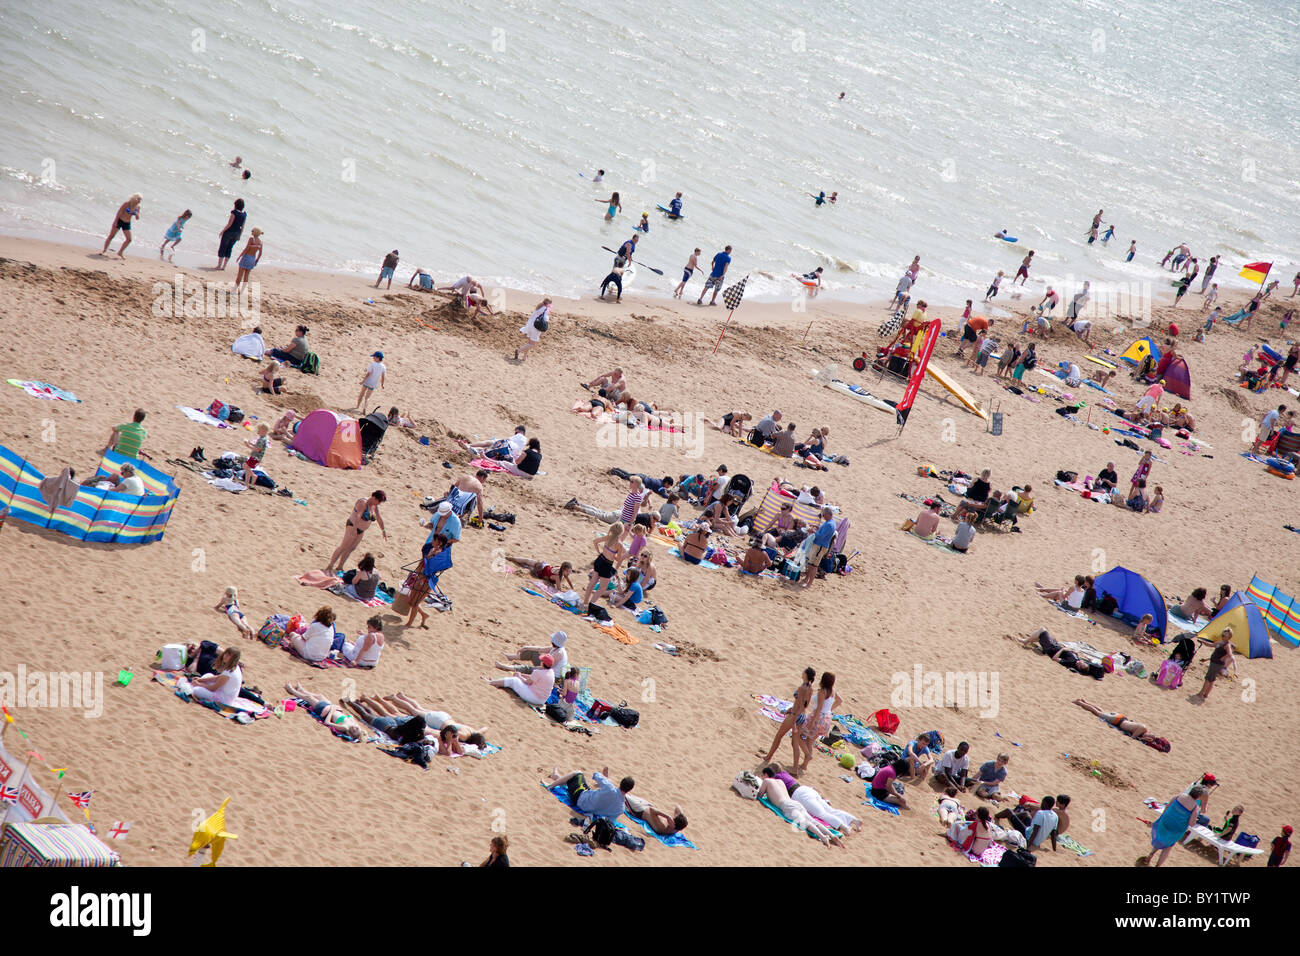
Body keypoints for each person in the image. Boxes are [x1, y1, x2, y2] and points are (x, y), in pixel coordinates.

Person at [756, 768, 843, 846]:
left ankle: (823, 837)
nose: (762, 777)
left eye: (762, 775)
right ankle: (832, 835)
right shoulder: (780, 781)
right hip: (795, 803)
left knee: (805, 823)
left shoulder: (766, 781)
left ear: (766, 775)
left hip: (786, 805)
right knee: (813, 820)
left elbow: (760, 794)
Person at [761, 667, 816, 765]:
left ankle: (768, 757)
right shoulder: (810, 689)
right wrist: (791, 710)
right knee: (794, 743)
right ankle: (796, 766)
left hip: (795, 716)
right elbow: (804, 705)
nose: (802, 672)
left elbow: (798, 704)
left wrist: (793, 720)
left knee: (779, 736)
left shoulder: (802, 688)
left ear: (806, 675)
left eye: (803, 671)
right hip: (802, 715)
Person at [1072, 699, 1171, 751]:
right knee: (1097, 713)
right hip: (1117, 721)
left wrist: (1144, 738)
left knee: (1101, 711)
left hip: (1120, 718)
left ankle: (1085, 701)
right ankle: (1080, 703)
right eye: (1148, 736)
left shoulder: (1143, 728)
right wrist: (1143, 739)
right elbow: (1133, 737)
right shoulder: (1142, 728)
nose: (1146, 737)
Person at [325, 492, 387, 573]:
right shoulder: (363, 502)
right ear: (374, 498)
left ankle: (340, 566)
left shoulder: (374, 506)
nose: (379, 504)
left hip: (361, 530)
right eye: (379, 501)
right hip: (352, 526)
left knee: (351, 548)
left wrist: (383, 530)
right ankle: (330, 566)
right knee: (343, 547)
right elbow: (358, 515)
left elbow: (379, 518)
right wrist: (354, 529)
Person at [1145, 786, 1207, 866]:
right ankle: (1158, 865)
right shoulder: (1195, 807)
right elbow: (1192, 824)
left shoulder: (1179, 796)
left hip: (1165, 823)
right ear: (1198, 796)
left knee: (1160, 840)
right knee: (1168, 847)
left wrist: (1162, 819)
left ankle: (1151, 854)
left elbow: (1167, 807)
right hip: (1176, 830)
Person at [283, 681, 365, 739]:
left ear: (350, 733)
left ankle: (292, 690)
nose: (356, 729)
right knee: (320, 696)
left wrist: (332, 710)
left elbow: (327, 722)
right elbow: (359, 729)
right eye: (357, 729)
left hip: (325, 710)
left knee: (309, 698)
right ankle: (302, 690)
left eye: (354, 731)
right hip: (332, 707)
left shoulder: (345, 727)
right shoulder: (353, 724)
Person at [795, 672, 840, 775]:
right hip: (827, 719)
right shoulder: (833, 691)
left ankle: (807, 755)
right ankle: (805, 764)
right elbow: (839, 701)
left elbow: (819, 709)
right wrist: (829, 710)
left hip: (818, 718)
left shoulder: (822, 692)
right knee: (809, 741)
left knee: (800, 736)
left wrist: (811, 722)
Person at [545, 766, 634, 819]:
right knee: (576, 784)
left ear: (621, 783)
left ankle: (551, 786)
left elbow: (596, 774)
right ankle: (558, 777)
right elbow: (610, 819)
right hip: (592, 808)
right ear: (629, 790)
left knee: (577, 773)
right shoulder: (621, 808)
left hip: (580, 799)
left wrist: (607, 781)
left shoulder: (610, 788)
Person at [579, 523, 626, 607]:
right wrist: (615, 556)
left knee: (592, 582)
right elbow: (619, 559)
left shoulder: (608, 537)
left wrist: (599, 552)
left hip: (600, 559)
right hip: (607, 564)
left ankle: (585, 602)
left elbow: (595, 541)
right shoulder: (619, 544)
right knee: (602, 588)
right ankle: (591, 604)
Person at [487, 653, 556, 705]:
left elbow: (527, 682)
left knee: (514, 680)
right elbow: (533, 678)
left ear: (543, 663)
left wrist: (519, 676)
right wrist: (522, 675)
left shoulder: (538, 672)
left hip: (534, 697)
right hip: (542, 699)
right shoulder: (551, 672)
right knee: (517, 680)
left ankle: (492, 682)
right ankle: (498, 683)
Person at [498, 630, 568, 675]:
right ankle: (511, 657)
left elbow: (548, 668)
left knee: (528, 668)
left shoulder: (559, 653)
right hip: (546, 666)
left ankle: (507, 667)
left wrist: (535, 668)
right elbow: (540, 649)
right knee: (533, 652)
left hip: (550, 673)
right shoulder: (555, 648)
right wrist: (525, 647)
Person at [800, 507, 838, 589]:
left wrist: (812, 531)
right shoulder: (829, 522)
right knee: (811, 563)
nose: (823, 517)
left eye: (823, 515)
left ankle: (809, 583)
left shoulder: (830, 524)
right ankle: (806, 579)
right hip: (819, 546)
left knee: (814, 565)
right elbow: (822, 530)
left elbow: (821, 536)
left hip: (820, 546)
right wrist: (816, 527)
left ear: (827, 514)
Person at [1195, 632, 1236, 701]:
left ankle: (1201, 693)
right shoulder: (1221, 642)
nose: (1222, 636)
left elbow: (1230, 654)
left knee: (1208, 678)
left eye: (1224, 636)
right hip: (1214, 661)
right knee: (1212, 679)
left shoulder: (1227, 645)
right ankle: (1206, 694)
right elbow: (1211, 645)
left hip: (1217, 663)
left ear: (1229, 637)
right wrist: (1203, 642)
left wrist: (1223, 658)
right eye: (1222, 635)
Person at [624, 793, 689, 836]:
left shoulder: (662, 826)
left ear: (674, 824)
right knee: (628, 793)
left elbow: (651, 810)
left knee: (623, 794)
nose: (673, 817)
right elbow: (678, 807)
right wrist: (682, 816)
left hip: (639, 809)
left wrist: (667, 816)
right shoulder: (676, 828)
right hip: (645, 805)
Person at [241, 424, 269, 489]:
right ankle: (246, 484)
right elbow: (257, 446)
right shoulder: (263, 438)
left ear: (263, 431)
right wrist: (250, 443)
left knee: (245, 466)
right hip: (255, 456)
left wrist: (248, 445)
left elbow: (257, 449)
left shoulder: (262, 440)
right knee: (247, 469)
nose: (258, 431)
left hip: (256, 457)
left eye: (259, 430)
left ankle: (253, 475)